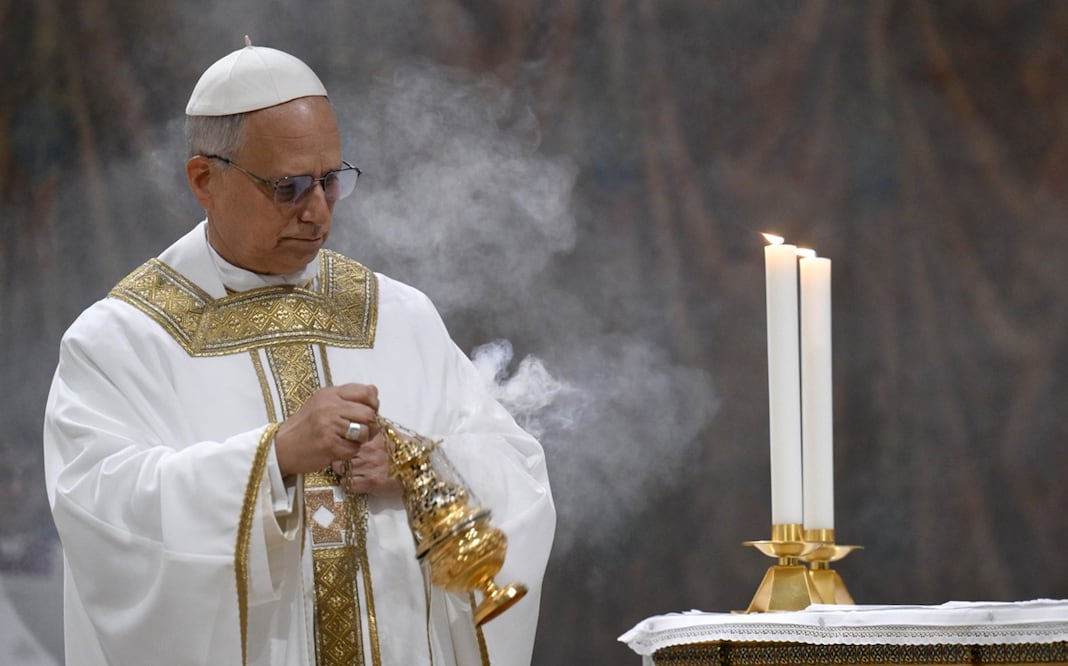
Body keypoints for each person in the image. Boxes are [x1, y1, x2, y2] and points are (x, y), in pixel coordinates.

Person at [43, 39, 555, 666]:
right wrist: (275, 457)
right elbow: (106, 515)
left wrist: (421, 469)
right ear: (205, 180)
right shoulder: (122, 340)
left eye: (332, 181)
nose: (318, 213)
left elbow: (518, 472)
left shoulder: (398, 317)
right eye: (287, 188)